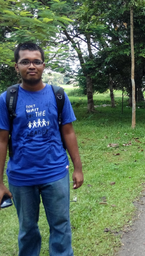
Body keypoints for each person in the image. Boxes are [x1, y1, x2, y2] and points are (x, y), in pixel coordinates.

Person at [0, 42, 84, 256]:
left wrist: (78, 168)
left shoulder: (58, 95)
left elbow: (68, 132)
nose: (31, 66)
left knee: (61, 226)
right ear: (16, 66)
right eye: (25, 61)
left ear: (43, 65)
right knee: (27, 230)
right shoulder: (6, 99)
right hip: (21, 177)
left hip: (55, 173)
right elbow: (1, 141)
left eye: (36, 61)